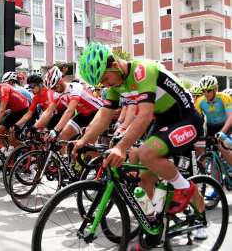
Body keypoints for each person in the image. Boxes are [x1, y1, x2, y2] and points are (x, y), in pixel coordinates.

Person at [72, 42, 205, 217]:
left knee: (146, 153)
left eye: (104, 79)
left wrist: (120, 148)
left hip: (186, 118)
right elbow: (103, 116)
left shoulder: (142, 70)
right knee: (145, 178)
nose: (104, 85)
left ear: (114, 65)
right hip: (163, 121)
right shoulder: (116, 85)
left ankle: (191, 200)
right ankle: (157, 223)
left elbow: (145, 115)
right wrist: (83, 141)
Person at [196, 76, 232, 167]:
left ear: (215, 89)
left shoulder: (224, 97)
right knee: (202, 148)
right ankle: (213, 178)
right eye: (203, 91)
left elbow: (230, 116)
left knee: (222, 146)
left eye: (209, 90)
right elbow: (196, 119)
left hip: (227, 127)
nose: (206, 93)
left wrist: (223, 132)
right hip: (211, 128)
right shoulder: (200, 101)